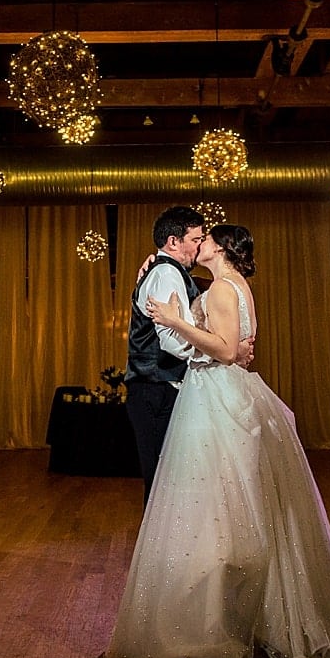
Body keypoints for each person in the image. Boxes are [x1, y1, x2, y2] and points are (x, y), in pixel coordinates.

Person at [107, 224, 330, 658]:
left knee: (216, 508)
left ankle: (220, 623)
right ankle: (241, 614)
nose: (200, 244)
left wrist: (176, 323)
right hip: (224, 391)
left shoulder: (221, 292)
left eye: (207, 239)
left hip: (215, 394)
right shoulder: (230, 288)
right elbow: (235, 346)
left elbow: (228, 350)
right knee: (231, 507)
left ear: (223, 248)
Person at [123, 206, 206, 503]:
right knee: (162, 483)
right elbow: (172, 340)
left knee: (166, 481)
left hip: (157, 387)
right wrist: (214, 350)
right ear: (174, 242)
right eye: (196, 239)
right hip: (156, 388)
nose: (200, 246)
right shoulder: (167, 273)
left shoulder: (169, 272)